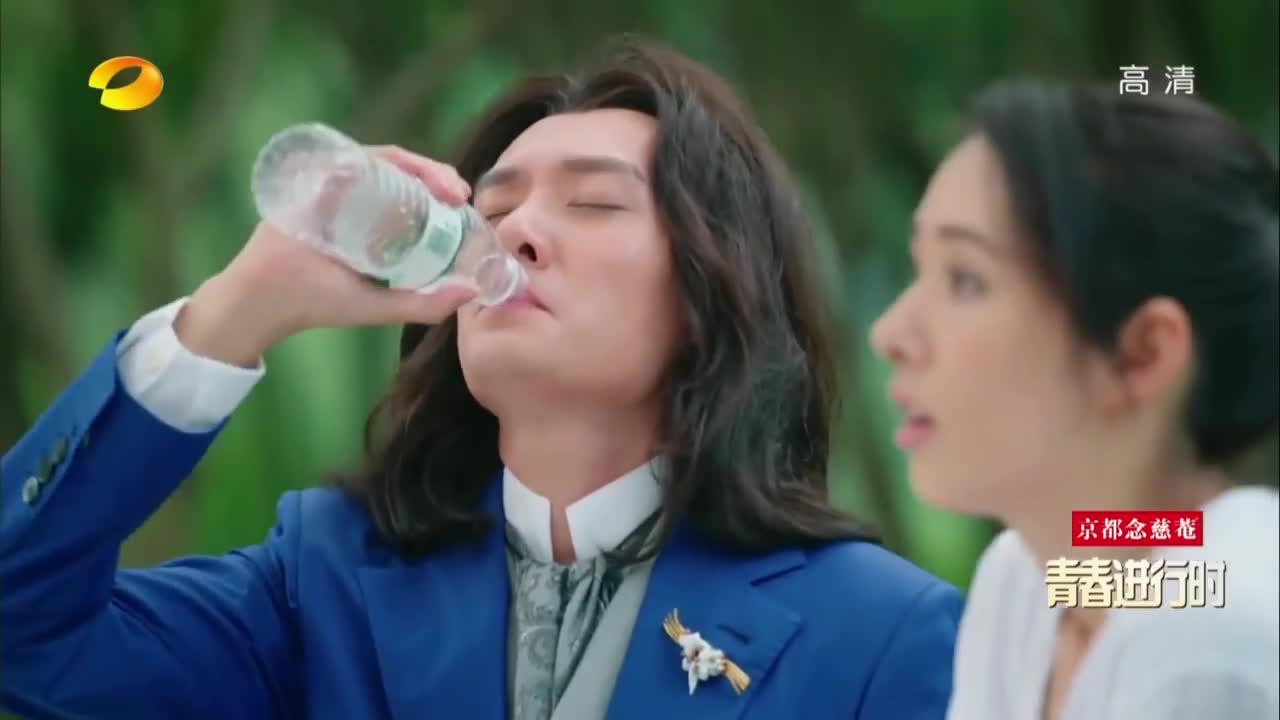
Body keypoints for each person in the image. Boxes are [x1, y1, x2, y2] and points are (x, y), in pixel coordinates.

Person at [2, 36, 961, 720]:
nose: (519, 233)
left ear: (718, 286)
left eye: (594, 203)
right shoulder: (324, 588)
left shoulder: (878, 635)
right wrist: (236, 312)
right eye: (494, 210)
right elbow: (22, 626)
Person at [871, 78, 1279, 719]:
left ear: (1143, 354)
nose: (891, 334)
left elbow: (1212, 588)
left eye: (966, 279)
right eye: (920, 270)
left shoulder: (1212, 644)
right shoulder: (1037, 575)